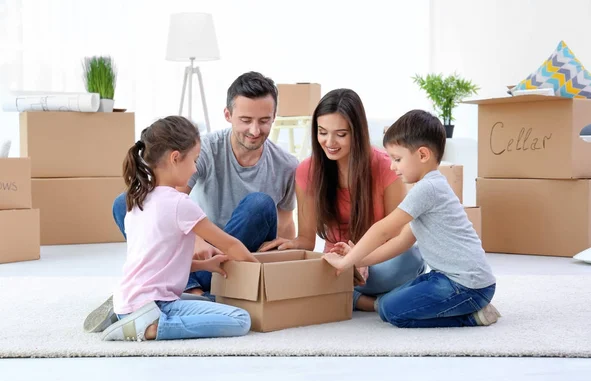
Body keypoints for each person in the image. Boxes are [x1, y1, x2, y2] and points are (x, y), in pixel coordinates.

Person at [85, 71, 298, 333]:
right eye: (246, 120)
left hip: (223, 258)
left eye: (264, 121)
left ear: (274, 117)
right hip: (198, 244)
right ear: (228, 115)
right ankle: (175, 302)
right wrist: (198, 243)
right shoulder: (202, 148)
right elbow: (176, 198)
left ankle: (158, 294)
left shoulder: (286, 164)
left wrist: (285, 267)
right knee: (125, 202)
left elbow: (285, 227)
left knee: (260, 205)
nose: (255, 130)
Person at [323, 109, 501, 328]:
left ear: (423, 155)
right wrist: (358, 259)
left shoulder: (428, 188)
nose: (392, 166)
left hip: (468, 286)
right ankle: (465, 307)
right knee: (389, 301)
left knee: (391, 311)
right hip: (451, 278)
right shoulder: (429, 187)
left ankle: (472, 317)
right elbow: (402, 241)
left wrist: (345, 262)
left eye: (397, 159)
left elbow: (384, 230)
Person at [259, 89, 425, 312]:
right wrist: (287, 247)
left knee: (407, 260)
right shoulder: (307, 170)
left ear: (357, 132)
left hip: (376, 260)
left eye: (341, 134)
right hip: (338, 266)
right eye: (322, 132)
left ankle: (349, 297)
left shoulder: (386, 166)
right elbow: (307, 240)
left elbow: (395, 233)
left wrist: (362, 258)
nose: (329, 142)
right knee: (299, 275)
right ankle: (374, 302)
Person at [101, 116, 258, 341]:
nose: (195, 168)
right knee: (241, 319)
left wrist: (205, 265)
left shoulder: (137, 198)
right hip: (157, 304)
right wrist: (263, 272)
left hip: (131, 298)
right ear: (175, 158)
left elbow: (157, 261)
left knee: (210, 303)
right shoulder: (179, 203)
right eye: (194, 160)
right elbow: (229, 244)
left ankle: (126, 316)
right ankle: (151, 328)